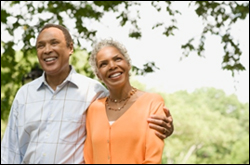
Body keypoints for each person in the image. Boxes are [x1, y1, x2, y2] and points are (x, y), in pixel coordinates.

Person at [1, 24, 173, 164]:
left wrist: (167, 128)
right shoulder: (24, 95)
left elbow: (123, 115)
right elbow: (10, 149)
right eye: (41, 45)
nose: (47, 50)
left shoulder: (94, 92)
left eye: (54, 43)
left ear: (70, 48)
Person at [84, 38, 167, 164]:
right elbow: (89, 158)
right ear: (98, 74)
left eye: (117, 59)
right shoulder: (94, 109)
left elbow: (153, 159)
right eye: (104, 64)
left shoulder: (152, 102)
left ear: (128, 64)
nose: (112, 66)